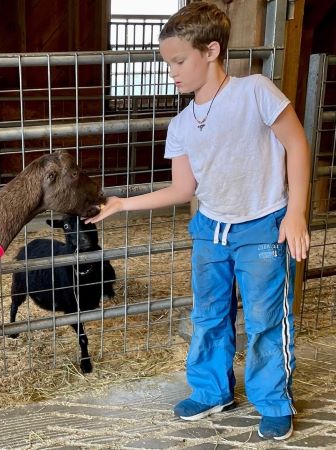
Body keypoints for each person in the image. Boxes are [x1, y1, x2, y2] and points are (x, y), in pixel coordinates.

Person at [86, 1, 310, 441]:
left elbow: (297, 145)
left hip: (263, 225)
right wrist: (122, 204)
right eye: (168, 62)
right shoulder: (182, 124)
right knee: (208, 314)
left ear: (211, 51)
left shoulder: (256, 92)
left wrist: (297, 211)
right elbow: (182, 190)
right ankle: (212, 391)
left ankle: (273, 400)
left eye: (178, 60)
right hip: (211, 230)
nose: (172, 71)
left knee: (266, 317)